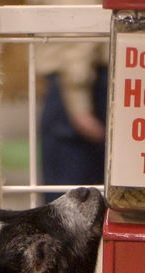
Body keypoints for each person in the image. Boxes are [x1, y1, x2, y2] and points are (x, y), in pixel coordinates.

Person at [35, 0, 108, 201]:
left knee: (66, 208)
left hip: (78, 83)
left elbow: (78, 23)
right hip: (81, 81)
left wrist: (78, 103)